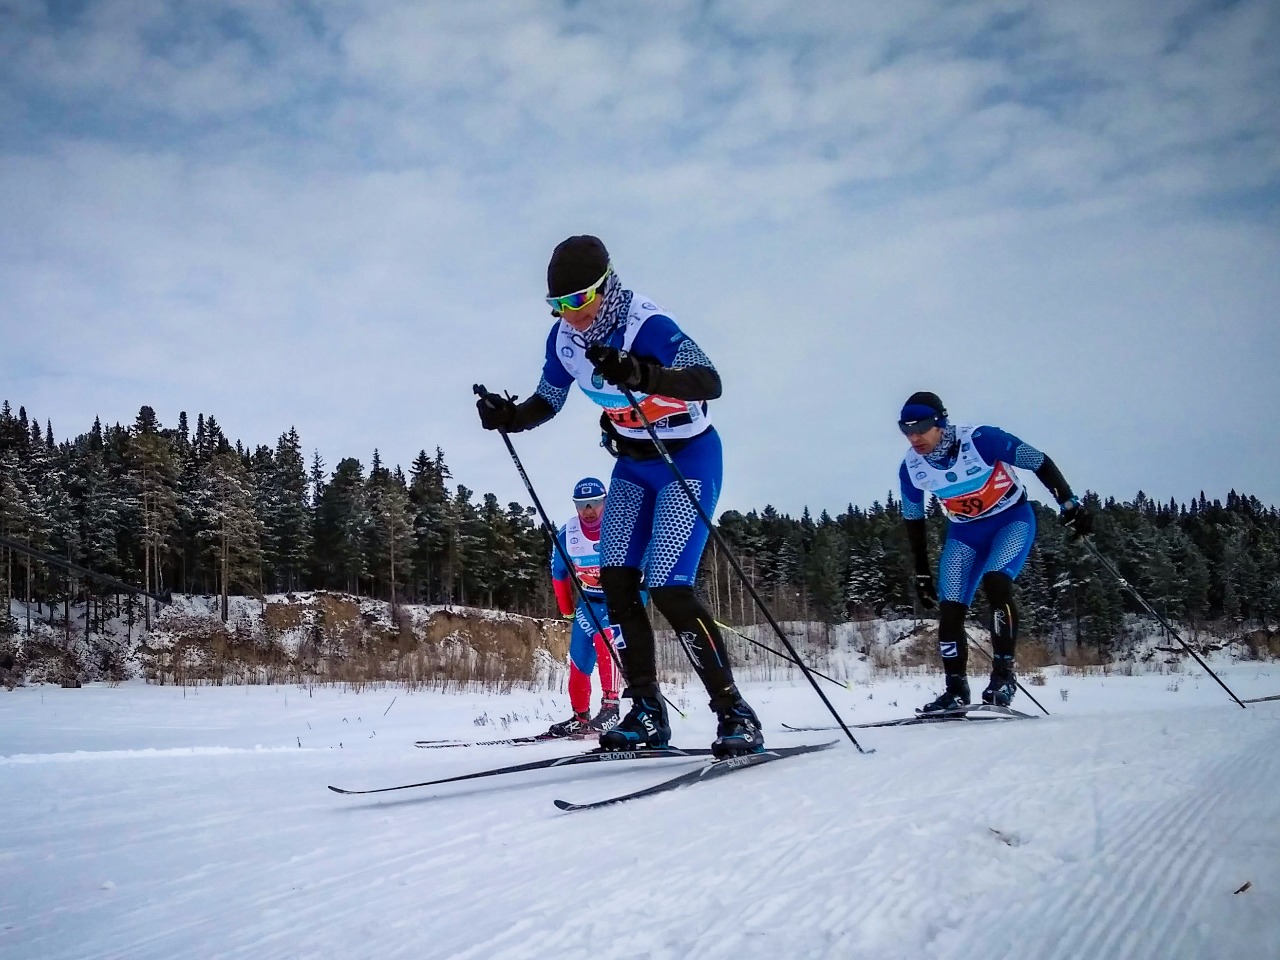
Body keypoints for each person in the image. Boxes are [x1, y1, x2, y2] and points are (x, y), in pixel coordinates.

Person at [476, 235, 763, 757]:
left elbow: (709, 381)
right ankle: (647, 711)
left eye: (579, 300)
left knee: (671, 586)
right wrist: (510, 417)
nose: (570, 315)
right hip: (632, 465)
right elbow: (548, 399)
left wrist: (640, 373)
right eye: (558, 305)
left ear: (606, 286)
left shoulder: (646, 324)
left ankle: (734, 711)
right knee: (616, 583)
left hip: (686, 457)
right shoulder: (562, 340)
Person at [896, 391, 1092, 712]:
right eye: (906, 429)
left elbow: (1038, 461)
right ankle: (956, 690)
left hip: (1010, 521)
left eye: (921, 427)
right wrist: (920, 571)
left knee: (996, 583)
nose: (914, 436)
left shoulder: (982, 440)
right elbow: (913, 518)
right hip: (964, 535)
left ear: (941, 423)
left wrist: (1068, 503)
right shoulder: (911, 468)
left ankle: (1003, 678)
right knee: (950, 610)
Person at [545, 476, 623, 737]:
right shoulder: (569, 534)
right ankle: (580, 716)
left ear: (605, 502)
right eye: (582, 505)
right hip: (589, 601)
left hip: (619, 599)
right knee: (578, 656)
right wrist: (566, 609)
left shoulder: (620, 525)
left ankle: (611, 707)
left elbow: (643, 559)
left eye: (594, 503)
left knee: (606, 640)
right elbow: (559, 574)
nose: (588, 511)